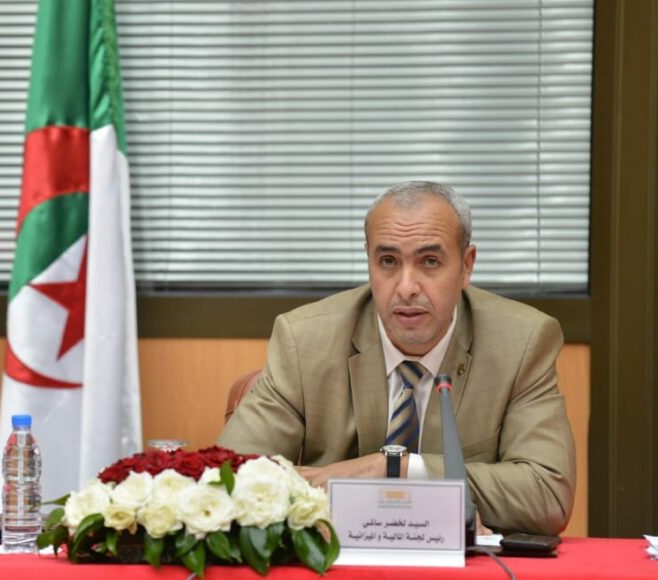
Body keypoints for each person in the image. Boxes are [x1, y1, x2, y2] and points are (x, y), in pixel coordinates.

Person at [218, 181, 575, 536]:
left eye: (430, 261)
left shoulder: (521, 343)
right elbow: (226, 480)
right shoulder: (305, 341)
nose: (406, 288)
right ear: (369, 261)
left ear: (466, 266)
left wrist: (395, 469)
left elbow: (547, 494)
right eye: (388, 261)